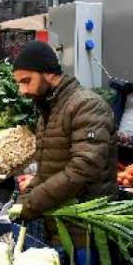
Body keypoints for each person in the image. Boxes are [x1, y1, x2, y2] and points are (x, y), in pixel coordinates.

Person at [8, 41, 117, 233]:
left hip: (86, 227)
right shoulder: (48, 109)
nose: (22, 90)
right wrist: (24, 199)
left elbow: (83, 168)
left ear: (48, 74)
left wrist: (32, 204)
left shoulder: (87, 106)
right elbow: (47, 170)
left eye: (26, 81)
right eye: (19, 83)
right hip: (62, 219)